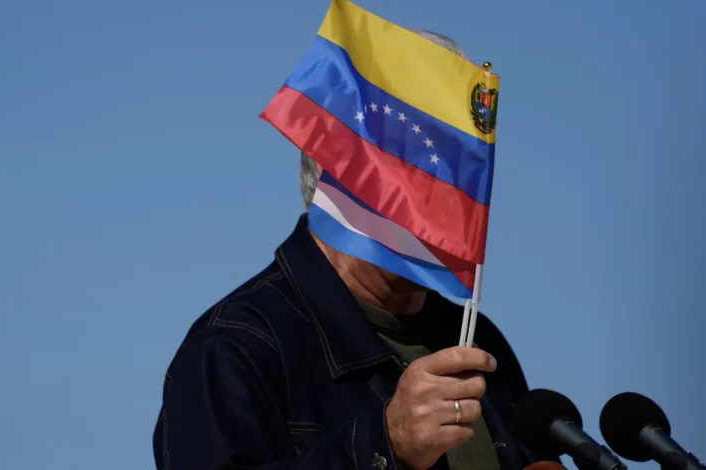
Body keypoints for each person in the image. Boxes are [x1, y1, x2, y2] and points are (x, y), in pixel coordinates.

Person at [153, 32, 548, 470]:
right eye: (418, 156)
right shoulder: (235, 347)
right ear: (337, 175)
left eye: (458, 155)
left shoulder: (477, 342)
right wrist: (385, 443)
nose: (449, 184)